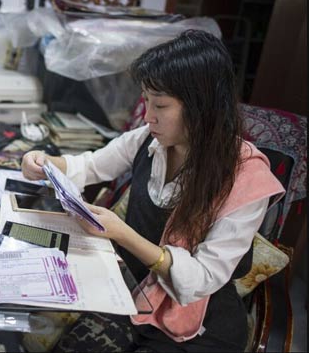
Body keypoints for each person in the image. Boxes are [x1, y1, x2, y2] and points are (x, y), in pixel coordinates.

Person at [21, 30, 284, 352]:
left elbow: (202, 278)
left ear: (203, 107)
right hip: (137, 295)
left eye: (160, 105)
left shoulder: (246, 177)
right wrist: (43, 161)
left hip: (198, 326)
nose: (148, 116)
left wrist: (122, 234)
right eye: (146, 100)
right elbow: (90, 166)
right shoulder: (149, 140)